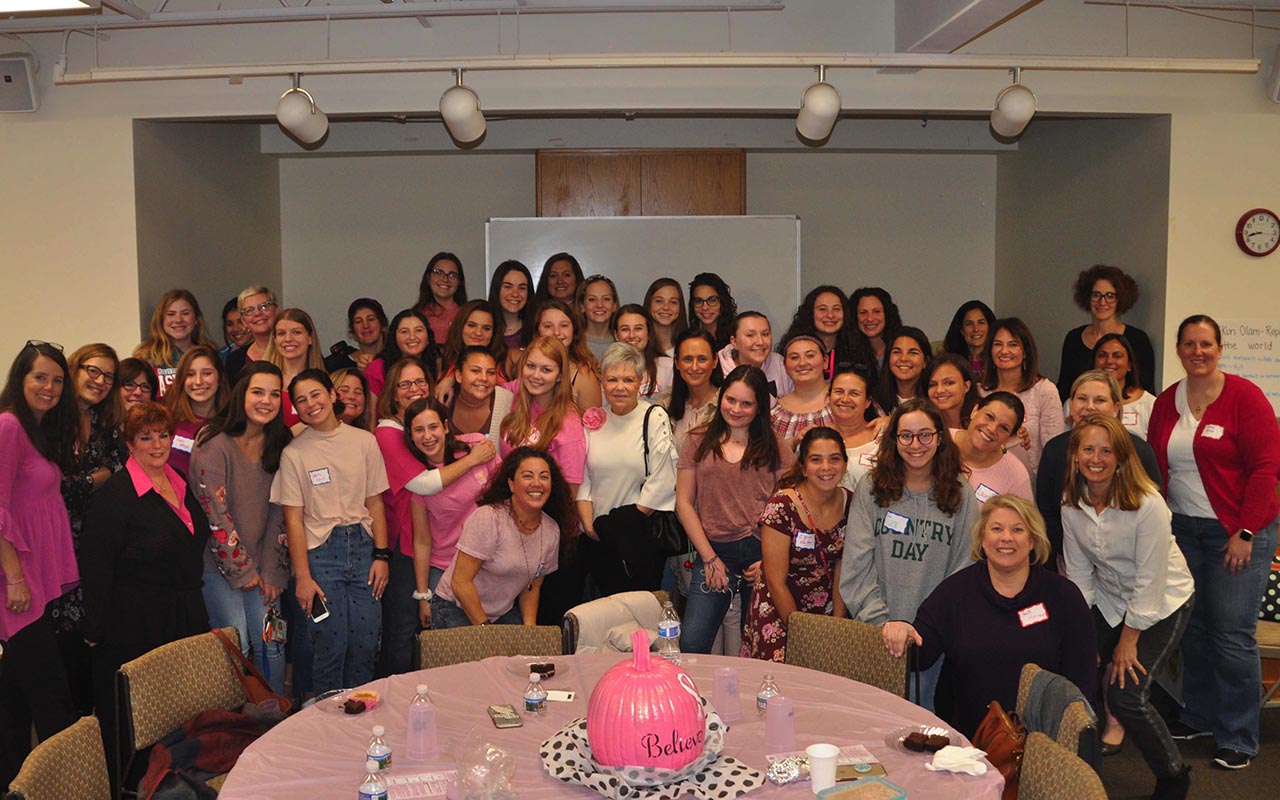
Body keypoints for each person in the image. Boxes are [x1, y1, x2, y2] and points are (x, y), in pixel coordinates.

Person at [1147, 314, 1280, 770]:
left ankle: (1239, 735)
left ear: (1219, 348)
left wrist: (1245, 532)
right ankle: (1199, 715)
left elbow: (1267, 469)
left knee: (1230, 634)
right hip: (1184, 530)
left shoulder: (1245, 397)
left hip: (1238, 532)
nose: (1197, 352)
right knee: (1195, 629)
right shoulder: (1168, 401)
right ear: (1180, 350)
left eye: (1206, 344)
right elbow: (1155, 467)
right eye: (1189, 344)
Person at [881, 495, 1096, 739]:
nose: (1006, 538)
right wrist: (901, 630)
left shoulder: (1063, 596)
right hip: (968, 744)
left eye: (1017, 529)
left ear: (1032, 540)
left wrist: (1069, 734)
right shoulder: (955, 593)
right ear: (983, 539)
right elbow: (921, 653)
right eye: (996, 529)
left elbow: (1082, 678)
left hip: (1043, 742)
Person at [1062, 414, 1194, 797]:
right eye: (1088, 449)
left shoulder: (1147, 504)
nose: (1096, 458)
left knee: (1125, 695)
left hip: (1163, 601)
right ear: (1075, 456)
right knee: (1075, 671)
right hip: (1109, 598)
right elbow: (1081, 575)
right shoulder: (1072, 502)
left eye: (1106, 450)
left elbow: (1151, 580)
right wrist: (1084, 639)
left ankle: (1173, 775)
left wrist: (1128, 639)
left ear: (1121, 457)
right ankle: (1079, 770)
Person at [82, 402, 212, 788]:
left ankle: (176, 784)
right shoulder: (115, 497)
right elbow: (96, 566)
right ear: (129, 443)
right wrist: (96, 627)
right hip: (135, 624)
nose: (157, 444)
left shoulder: (178, 479)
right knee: (141, 722)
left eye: (163, 435)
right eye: (146, 437)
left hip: (183, 614)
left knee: (180, 712)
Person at [839, 398, 979, 708]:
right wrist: (883, 624)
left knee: (922, 729)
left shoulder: (961, 492)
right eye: (906, 435)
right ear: (894, 439)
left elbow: (965, 569)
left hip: (933, 640)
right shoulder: (871, 488)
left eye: (925, 434)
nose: (915, 444)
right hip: (874, 632)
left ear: (939, 437)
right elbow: (856, 567)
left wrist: (928, 628)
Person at [270, 369, 390, 695]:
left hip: (364, 549)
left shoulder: (364, 441)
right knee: (329, 644)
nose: (310, 404)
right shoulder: (294, 452)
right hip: (320, 556)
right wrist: (303, 577)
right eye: (301, 400)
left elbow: (375, 503)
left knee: (366, 642)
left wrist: (381, 555)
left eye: (316, 394)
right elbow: (293, 519)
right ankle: (327, 723)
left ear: (333, 394)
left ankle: (362, 718)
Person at [0, 341, 79, 789]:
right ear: (20, 379)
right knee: (53, 699)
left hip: (34, 581)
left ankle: (12, 784)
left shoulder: (40, 430)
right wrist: (14, 577)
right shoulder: (8, 425)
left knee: (13, 700)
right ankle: (72, 786)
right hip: (17, 584)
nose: (48, 387)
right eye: (39, 377)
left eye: (56, 379)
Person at [676, 365, 795, 654]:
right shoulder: (697, 440)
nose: (736, 409)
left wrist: (770, 562)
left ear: (759, 407)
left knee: (756, 647)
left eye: (746, 403)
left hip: (761, 553)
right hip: (714, 552)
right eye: (731, 400)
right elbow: (683, 503)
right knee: (691, 642)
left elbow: (789, 508)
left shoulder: (774, 445)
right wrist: (709, 559)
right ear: (721, 398)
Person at [191, 362, 292, 695]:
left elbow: (281, 511)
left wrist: (273, 572)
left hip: (264, 568)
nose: (266, 401)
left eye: (274, 394)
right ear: (241, 395)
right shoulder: (213, 443)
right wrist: (243, 570)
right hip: (220, 569)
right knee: (238, 644)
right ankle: (239, 727)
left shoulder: (280, 442)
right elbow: (215, 514)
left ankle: (277, 717)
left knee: (272, 642)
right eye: (257, 392)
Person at [430, 447, 576, 627]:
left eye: (544, 477)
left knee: (523, 654)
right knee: (488, 654)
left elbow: (532, 586)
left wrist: (529, 629)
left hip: (500, 613)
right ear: (511, 484)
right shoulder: (489, 517)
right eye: (528, 476)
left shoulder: (551, 530)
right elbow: (460, 582)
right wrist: (487, 630)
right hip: (454, 606)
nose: (537, 483)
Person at [52, 343, 123, 713]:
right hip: (53, 545)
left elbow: (116, 469)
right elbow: (54, 486)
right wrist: (92, 479)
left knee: (90, 648)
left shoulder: (102, 424)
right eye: (92, 370)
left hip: (93, 546)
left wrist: (78, 482)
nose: (99, 381)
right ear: (74, 369)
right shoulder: (47, 421)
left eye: (108, 376)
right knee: (58, 654)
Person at [742, 426, 851, 662]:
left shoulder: (851, 503)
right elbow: (775, 580)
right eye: (816, 460)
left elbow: (844, 566)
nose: (826, 467)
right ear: (803, 466)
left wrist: (837, 625)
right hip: (780, 608)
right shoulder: (782, 506)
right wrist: (802, 635)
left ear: (845, 464)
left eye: (834, 459)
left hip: (828, 608)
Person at [577, 343, 678, 594]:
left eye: (628, 379)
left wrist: (625, 523)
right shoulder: (594, 420)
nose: (619, 387)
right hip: (596, 535)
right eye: (612, 379)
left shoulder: (653, 417)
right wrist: (590, 527)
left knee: (638, 613)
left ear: (640, 381)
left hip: (638, 535)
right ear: (602, 382)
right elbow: (583, 478)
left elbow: (663, 477)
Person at [1037, 370, 1161, 569]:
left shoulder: (1139, 450)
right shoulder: (1054, 450)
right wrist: (1076, 553)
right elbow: (1047, 511)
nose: (1090, 407)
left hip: (1132, 562)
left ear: (1116, 407)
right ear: (1071, 404)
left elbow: (1154, 512)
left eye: (1100, 400)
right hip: (1072, 560)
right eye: (1082, 399)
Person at [404, 397, 501, 629]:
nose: (427, 436)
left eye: (433, 427)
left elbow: (505, 500)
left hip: (488, 562)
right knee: (460, 641)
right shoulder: (419, 480)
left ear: (446, 427)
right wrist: (423, 595)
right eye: (419, 430)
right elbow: (422, 541)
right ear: (410, 435)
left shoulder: (477, 447)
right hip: (445, 566)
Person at [372, 357, 435, 676]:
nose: (414, 389)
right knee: (401, 629)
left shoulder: (421, 427)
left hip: (428, 540)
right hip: (402, 543)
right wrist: (475, 458)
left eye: (420, 381)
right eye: (405, 384)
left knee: (424, 629)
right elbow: (422, 482)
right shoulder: (388, 432)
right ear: (393, 393)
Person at [980, 317, 1062, 481]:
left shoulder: (1044, 390)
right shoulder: (979, 391)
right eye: (997, 344)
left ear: (1025, 352)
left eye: (1013, 344)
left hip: (1031, 484)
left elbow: (1054, 450)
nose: (1004, 351)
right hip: (986, 481)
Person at [1057, 265, 1156, 399]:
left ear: (1120, 299)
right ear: (1087, 298)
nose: (1102, 302)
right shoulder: (1073, 338)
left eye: (1110, 296)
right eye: (1096, 295)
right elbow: (1065, 388)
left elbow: (1146, 389)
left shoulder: (1137, 339)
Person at [132, 289, 217, 397]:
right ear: (161, 320)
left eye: (185, 313)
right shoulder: (146, 356)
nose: (178, 320)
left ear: (196, 319)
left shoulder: (209, 354)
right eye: (171, 314)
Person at [952, 392, 1032, 502]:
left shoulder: (1016, 476)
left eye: (1004, 428)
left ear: (1010, 438)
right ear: (975, 411)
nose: (992, 429)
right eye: (989, 416)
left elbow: (1022, 518)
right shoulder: (938, 440)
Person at [779, 286, 871, 379]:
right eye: (822, 309)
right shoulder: (793, 351)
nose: (830, 315)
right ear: (810, 314)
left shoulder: (859, 354)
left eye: (836, 309)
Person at [529, 299, 602, 410]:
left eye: (564, 325)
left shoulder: (584, 375)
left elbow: (594, 423)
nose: (557, 332)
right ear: (538, 330)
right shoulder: (526, 366)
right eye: (548, 326)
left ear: (574, 329)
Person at [660, 329, 722, 452]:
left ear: (715, 361)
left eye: (702, 359)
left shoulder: (728, 405)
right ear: (677, 363)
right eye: (687, 359)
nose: (694, 367)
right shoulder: (665, 405)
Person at [264, 308, 324, 428]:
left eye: (296, 332)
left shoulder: (324, 383)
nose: (288, 339)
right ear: (274, 340)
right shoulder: (263, 381)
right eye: (281, 333)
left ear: (310, 338)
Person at [716, 311, 791, 406]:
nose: (760, 342)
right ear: (734, 341)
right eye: (750, 335)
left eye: (765, 334)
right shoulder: (717, 368)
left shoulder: (781, 364)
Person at [447, 346, 514, 450]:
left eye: (491, 372)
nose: (484, 378)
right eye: (475, 371)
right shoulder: (444, 401)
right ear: (459, 375)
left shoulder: (507, 401)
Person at [771, 335, 835, 442]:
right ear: (785, 366)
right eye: (794, 357)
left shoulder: (844, 402)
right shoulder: (774, 415)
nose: (802, 363)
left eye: (810, 356)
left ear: (825, 361)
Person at [1093, 333, 1155, 439]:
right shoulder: (1078, 402)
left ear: (1130, 365)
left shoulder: (1150, 404)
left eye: (1117, 356)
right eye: (1102, 355)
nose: (1109, 361)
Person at [367, 309, 439, 397]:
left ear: (428, 337)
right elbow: (372, 410)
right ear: (394, 338)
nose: (412, 337)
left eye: (419, 330)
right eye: (404, 331)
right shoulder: (377, 369)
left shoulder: (440, 366)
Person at [827, 368, 879, 490]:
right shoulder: (817, 437)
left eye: (854, 393)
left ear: (867, 402)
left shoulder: (882, 439)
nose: (845, 399)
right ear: (829, 397)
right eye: (839, 392)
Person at [611, 304, 674, 398]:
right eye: (625, 329)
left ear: (648, 332)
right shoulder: (609, 372)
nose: (631, 335)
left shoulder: (668, 367)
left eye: (638, 328)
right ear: (616, 335)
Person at [224, 285, 279, 386]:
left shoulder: (290, 349)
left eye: (264, 307)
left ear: (276, 311)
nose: (257, 313)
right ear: (244, 320)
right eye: (249, 310)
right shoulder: (235, 360)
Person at [440, 299, 505, 382]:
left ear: (494, 333)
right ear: (460, 326)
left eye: (486, 328)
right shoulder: (443, 361)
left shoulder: (508, 360)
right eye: (471, 325)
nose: (478, 333)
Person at [874, 326, 933, 415]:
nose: (903, 358)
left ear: (925, 361)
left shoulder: (934, 399)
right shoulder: (873, 400)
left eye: (913, 353)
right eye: (897, 352)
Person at [416, 251, 467, 346]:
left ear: (459, 282)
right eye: (438, 273)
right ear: (428, 278)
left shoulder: (467, 316)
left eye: (452, 275)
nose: (445, 279)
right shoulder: (416, 315)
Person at [323, 297, 387, 373]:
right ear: (352, 330)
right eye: (358, 321)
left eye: (371, 319)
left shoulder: (395, 360)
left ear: (382, 324)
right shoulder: (336, 364)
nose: (365, 325)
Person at [942, 300, 996, 381]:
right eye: (969, 324)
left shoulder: (999, 360)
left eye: (981, 322)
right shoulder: (949, 362)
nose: (976, 329)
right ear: (962, 331)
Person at [923, 353, 979, 432]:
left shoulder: (982, 417)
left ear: (966, 386)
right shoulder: (922, 421)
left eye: (949, 383)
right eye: (932, 384)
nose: (939, 390)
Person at [849, 287, 902, 369]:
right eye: (863, 312)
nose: (870, 318)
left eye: (876, 311)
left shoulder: (901, 349)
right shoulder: (848, 354)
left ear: (887, 314)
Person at [488, 259, 533, 352]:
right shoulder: (484, 329)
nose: (515, 294)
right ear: (497, 290)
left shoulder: (536, 331)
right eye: (508, 287)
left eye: (522, 288)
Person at [687, 272, 737, 353]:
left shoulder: (736, 338)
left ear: (723, 302)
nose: (705, 307)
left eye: (712, 300)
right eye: (698, 301)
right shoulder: (688, 339)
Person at [577, 274, 620, 363]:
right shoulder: (573, 343)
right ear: (582, 306)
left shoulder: (622, 342)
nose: (599, 305)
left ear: (614, 305)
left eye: (606, 299)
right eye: (592, 299)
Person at [644, 277, 688, 357]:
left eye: (673, 302)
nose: (666, 307)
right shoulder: (639, 346)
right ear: (649, 303)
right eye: (659, 301)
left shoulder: (690, 345)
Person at [331, 367, 374, 431]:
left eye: (358, 392)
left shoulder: (367, 438)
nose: (352, 396)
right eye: (344, 390)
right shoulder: (313, 435)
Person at [219, 297, 250, 364]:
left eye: (241, 322)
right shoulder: (221, 357)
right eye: (229, 324)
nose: (235, 329)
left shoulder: (268, 351)